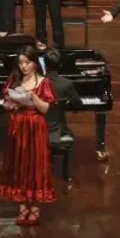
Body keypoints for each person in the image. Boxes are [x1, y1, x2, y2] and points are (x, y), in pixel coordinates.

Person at [0, 45, 57, 225]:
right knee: (19, 164)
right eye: (21, 63)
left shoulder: (43, 82)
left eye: (27, 62)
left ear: (34, 63)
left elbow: (45, 109)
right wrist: (10, 104)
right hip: (18, 125)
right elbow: (5, 104)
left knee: (36, 164)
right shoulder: (14, 80)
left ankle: (35, 206)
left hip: (36, 126)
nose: (23, 66)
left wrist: (33, 97)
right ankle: (22, 205)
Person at [42, 47, 80, 180]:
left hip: (39, 128)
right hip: (57, 129)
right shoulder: (66, 84)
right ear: (61, 65)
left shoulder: (37, 82)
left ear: (44, 64)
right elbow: (77, 103)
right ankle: (67, 175)